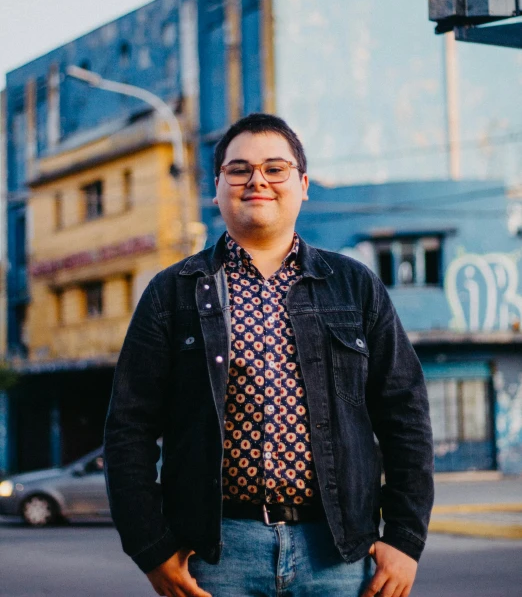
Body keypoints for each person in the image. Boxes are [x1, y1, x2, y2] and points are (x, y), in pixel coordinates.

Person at [104, 113, 434, 597]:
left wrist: (405, 538)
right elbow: (127, 428)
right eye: (239, 169)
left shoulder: (354, 285)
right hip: (216, 558)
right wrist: (152, 549)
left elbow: (405, 413)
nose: (257, 180)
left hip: (338, 555)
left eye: (275, 168)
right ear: (216, 187)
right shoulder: (171, 293)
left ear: (302, 184)